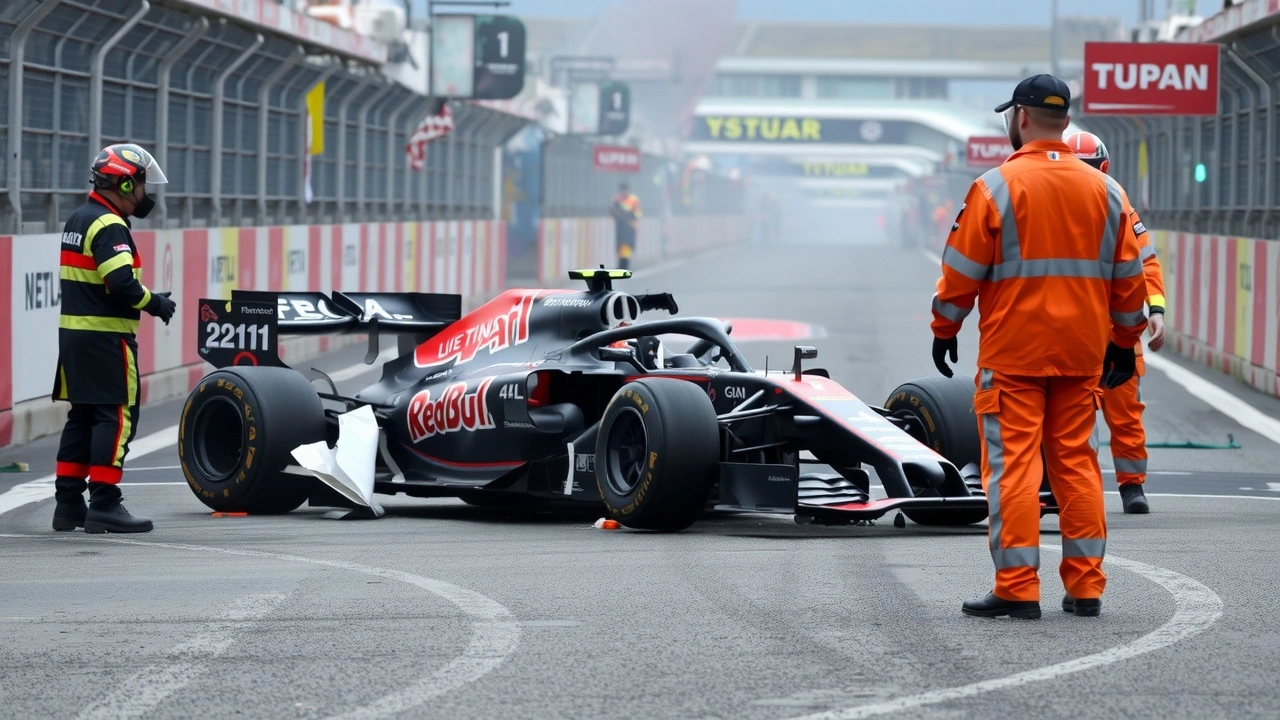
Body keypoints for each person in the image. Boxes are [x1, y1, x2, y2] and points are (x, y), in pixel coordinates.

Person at [930, 75, 1148, 619]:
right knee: (1075, 463)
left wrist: (945, 328)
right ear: (1064, 120)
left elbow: (959, 273)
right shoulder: (1108, 192)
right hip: (1082, 355)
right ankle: (1086, 588)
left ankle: (1017, 588)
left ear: (1021, 118)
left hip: (1013, 356)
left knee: (1013, 469)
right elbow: (1130, 279)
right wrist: (1123, 344)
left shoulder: (995, 187)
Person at [52, 143, 177, 534]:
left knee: (83, 417)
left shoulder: (78, 218)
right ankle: (104, 502)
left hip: (74, 338)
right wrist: (155, 303)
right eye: (139, 183)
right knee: (117, 416)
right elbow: (121, 282)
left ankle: (68, 503)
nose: (144, 192)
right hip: (106, 340)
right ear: (124, 186)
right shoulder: (108, 225)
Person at [1066, 130, 1167, 514]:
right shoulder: (1057, 204)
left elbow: (1147, 263)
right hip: (1078, 334)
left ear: (1103, 168)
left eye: (1089, 168)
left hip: (1116, 331)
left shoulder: (1118, 204)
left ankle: (1131, 486)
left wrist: (1155, 311)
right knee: (1073, 421)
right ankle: (1081, 489)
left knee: (1125, 415)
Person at [609, 182, 641, 269]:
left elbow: (637, 213)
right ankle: (621, 264)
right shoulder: (616, 200)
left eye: (624, 190)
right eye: (622, 190)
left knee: (627, 245)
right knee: (620, 244)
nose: (623, 192)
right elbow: (612, 211)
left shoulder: (633, 200)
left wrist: (632, 219)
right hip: (620, 225)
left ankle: (625, 264)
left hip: (629, 225)